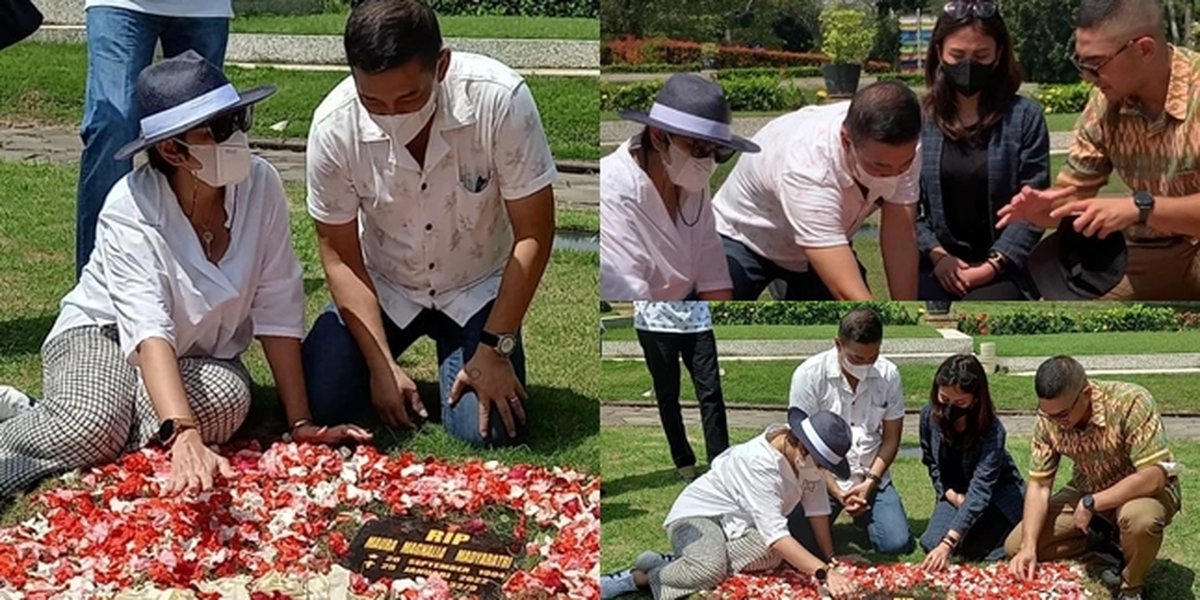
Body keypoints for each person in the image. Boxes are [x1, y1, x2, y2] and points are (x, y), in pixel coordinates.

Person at [0, 52, 367, 499]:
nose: (239, 137)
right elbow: (147, 324)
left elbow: (277, 305)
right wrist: (183, 432)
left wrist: (301, 422)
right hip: (105, 334)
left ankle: (112, 416)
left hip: (194, 356)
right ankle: (36, 424)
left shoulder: (261, 185)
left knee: (231, 399)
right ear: (173, 149)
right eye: (221, 128)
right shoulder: (131, 207)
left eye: (239, 118)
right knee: (92, 425)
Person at [303, 0, 557, 446]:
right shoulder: (333, 126)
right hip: (386, 285)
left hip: (476, 286)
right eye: (373, 102)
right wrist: (380, 365)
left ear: (441, 65)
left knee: (490, 432)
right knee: (320, 399)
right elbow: (340, 257)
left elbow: (534, 231)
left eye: (409, 98)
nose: (392, 115)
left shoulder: (499, 99)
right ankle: (385, 368)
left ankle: (472, 352)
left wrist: (497, 346)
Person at [998, 0, 1200, 300]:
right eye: (1081, 63)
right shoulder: (1105, 103)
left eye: (1096, 64)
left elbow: (1135, 209)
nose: (1087, 76)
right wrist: (1051, 209)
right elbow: (1076, 192)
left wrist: (1140, 207)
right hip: (1149, 251)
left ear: (1144, 49)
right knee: (1067, 304)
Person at [599, 409, 861, 600]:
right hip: (699, 519)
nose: (819, 471)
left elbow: (817, 510)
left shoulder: (805, 459)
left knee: (774, 554)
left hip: (737, 527)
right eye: (819, 464)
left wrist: (830, 558)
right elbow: (775, 533)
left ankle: (682, 559)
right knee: (710, 570)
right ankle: (639, 577)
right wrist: (825, 573)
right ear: (801, 447)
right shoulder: (760, 461)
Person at [712, 81, 923, 301]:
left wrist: (905, 310)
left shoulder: (905, 144)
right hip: (744, 236)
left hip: (826, 234)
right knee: (715, 309)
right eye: (879, 167)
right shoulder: (808, 165)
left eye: (904, 165)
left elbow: (900, 235)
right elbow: (847, 292)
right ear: (846, 140)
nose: (894, 174)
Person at [75, 0, 232, 277]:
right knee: (113, 125)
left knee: (202, 136)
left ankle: (199, 278)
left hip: (203, 7)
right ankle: (98, 283)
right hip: (120, 4)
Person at [1006, 356, 1182, 600]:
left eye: (1063, 414)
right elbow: (1039, 484)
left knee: (1140, 520)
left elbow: (1154, 476)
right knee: (1016, 544)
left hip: (1140, 491)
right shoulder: (1049, 418)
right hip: (1087, 486)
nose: (1057, 423)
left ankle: (1131, 586)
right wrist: (1028, 547)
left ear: (1086, 393)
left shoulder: (1130, 401)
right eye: (1048, 415)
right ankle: (1113, 548)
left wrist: (1093, 502)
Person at [916, 0, 1048, 301]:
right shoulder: (921, 119)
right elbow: (907, 207)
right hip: (935, 262)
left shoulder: (1025, 117)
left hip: (1003, 266)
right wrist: (938, 256)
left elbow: (1033, 206)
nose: (968, 65)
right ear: (939, 53)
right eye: (957, 55)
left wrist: (992, 265)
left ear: (999, 54)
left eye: (981, 55)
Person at [600, 74, 758, 301]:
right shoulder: (613, 191)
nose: (707, 161)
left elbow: (713, 276)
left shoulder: (691, 181)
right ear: (657, 137)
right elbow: (629, 293)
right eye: (699, 147)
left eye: (719, 151)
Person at [786, 308, 915, 555]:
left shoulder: (889, 374)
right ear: (838, 344)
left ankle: (865, 515)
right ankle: (835, 513)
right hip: (821, 477)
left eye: (873, 357)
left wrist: (870, 483)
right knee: (799, 543)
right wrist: (836, 489)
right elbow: (801, 445)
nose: (865, 366)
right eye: (857, 359)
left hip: (871, 475)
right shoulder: (809, 375)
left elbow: (890, 439)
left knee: (897, 544)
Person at [918, 354, 1025, 571]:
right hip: (955, 491)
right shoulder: (929, 416)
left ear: (975, 399)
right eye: (944, 399)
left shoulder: (993, 431)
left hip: (995, 495)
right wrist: (948, 493)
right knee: (931, 543)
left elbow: (981, 489)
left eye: (960, 403)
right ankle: (962, 530)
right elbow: (932, 462)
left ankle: (1010, 526)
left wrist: (949, 543)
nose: (950, 408)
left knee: (976, 549)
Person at [633, 301, 729, 482]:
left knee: (711, 392)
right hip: (654, 323)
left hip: (698, 321)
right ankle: (683, 461)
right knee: (667, 396)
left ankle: (720, 461)